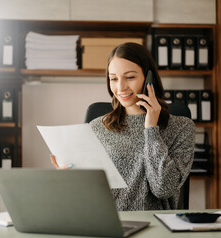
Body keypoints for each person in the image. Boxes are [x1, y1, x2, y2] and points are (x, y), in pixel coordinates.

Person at [52, 42, 195, 211]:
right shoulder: (97, 127)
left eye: (130, 77)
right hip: (105, 223)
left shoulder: (182, 127)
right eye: (113, 78)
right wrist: (70, 180)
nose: (120, 87)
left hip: (154, 227)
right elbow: (87, 194)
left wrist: (151, 129)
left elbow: (162, 188)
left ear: (149, 78)